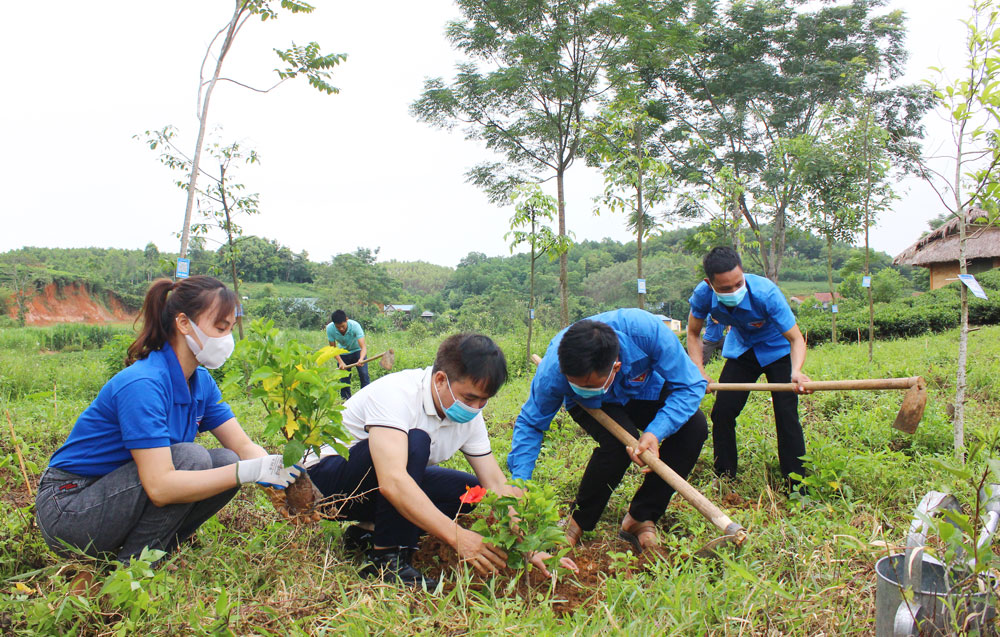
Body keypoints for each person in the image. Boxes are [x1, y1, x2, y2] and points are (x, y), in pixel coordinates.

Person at [35, 276, 302, 566]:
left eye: (229, 330)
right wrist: (247, 472)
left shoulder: (200, 382)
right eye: (220, 328)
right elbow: (161, 487)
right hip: (70, 507)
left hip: (116, 497)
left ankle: (137, 557)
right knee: (192, 458)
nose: (226, 340)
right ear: (184, 323)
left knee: (226, 460)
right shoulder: (143, 384)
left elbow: (243, 447)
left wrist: (280, 475)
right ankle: (133, 570)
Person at [305, 333, 576, 588]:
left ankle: (366, 534)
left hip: (372, 489)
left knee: (470, 493)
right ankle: (386, 560)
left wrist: (532, 548)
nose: (476, 408)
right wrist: (458, 537)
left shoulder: (470, 416)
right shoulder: (397, 394)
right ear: (440, 379)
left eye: (484, 400)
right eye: (470, 397)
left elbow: (494, 482)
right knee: (415, 442)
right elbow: (392, 481)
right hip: (327, 486)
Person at [508, 308, 709, 554]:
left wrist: (655, 432)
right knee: (617, 443)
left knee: (694, 426)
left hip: (642, 388)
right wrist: (519, 484)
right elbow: (531, 423)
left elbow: (690, 386)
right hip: (593, 405)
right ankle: (577, 522)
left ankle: (640, 517)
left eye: (589, 384)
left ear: (615, 367)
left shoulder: (649, 333)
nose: (583, 387)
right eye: (576, 383)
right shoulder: (554, 370)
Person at [686, 246, 812, 486]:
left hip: (778, 350)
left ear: (743, 274)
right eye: (725, 288)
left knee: (786, 414)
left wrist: (795, 371)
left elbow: (796, 339)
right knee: (722, 411)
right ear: (709, 283)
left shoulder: (766, 294)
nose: (734, 291)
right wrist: (699, 371)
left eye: (738, 284)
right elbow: (693, 334)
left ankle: (796, 482)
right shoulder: (703, 295)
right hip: (743, 349)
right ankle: (725, 476)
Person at [326, 309, 369, 400]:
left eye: (343, 326)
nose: (341, 329)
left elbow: (363, 347)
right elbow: (333, 349)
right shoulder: (330, 328)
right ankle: (346, 401)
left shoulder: (355, 326)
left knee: (364, 374)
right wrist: (340, 362)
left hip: (358, 351)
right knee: (344, 379)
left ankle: (365, 399)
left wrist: (361, 359)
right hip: (343, 353)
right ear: (334, 324)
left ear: (346, 319)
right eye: (338, 327)